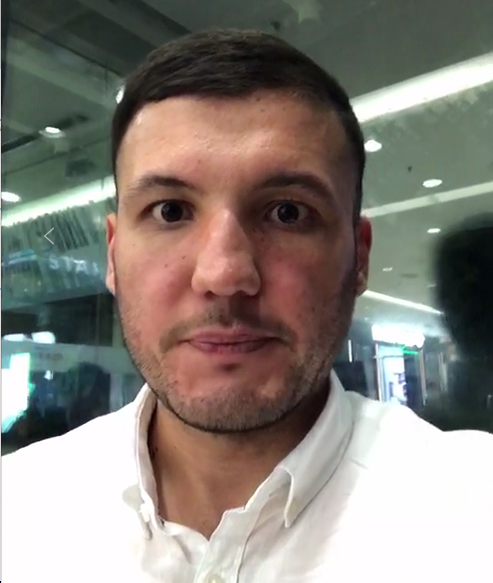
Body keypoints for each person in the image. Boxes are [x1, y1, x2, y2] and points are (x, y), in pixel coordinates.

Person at [3, 30, 492, 583]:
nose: (224, 275)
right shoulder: (18, 511)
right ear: (113, 255)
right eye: (170, 211)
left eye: (287, 212)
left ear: (358, 258)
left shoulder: (474, 512)